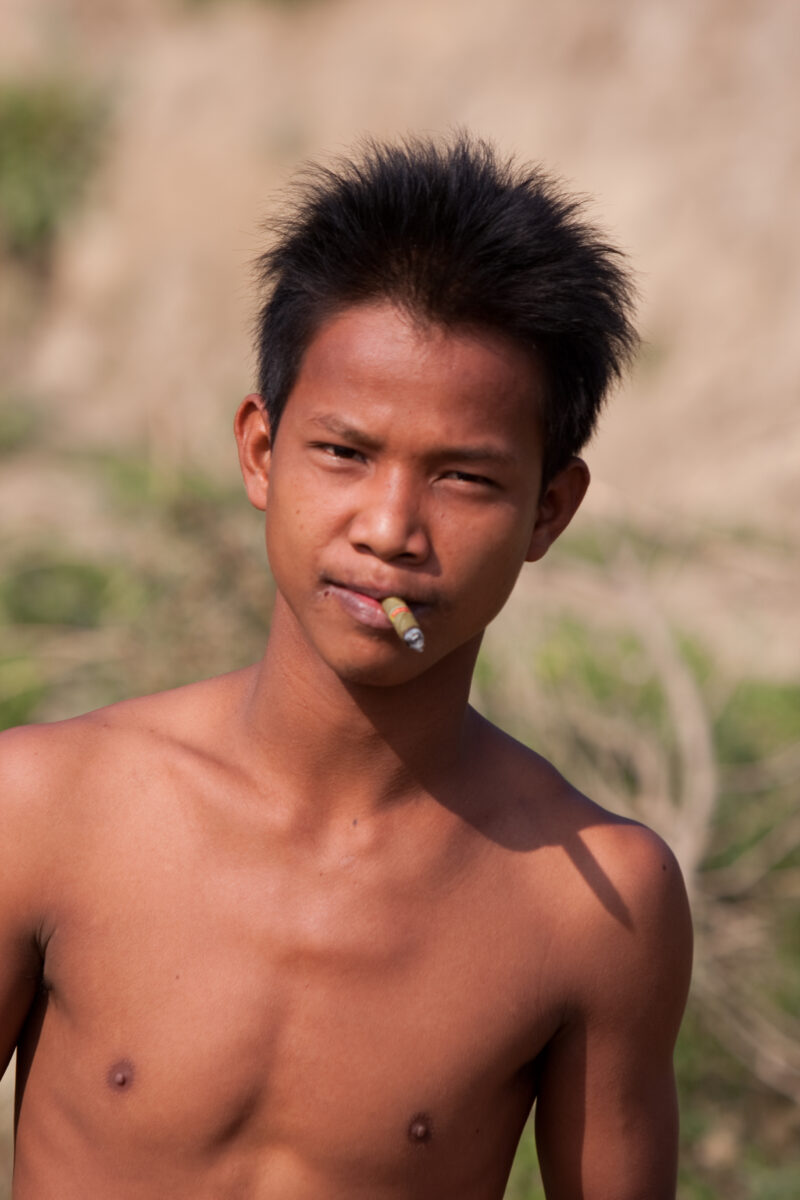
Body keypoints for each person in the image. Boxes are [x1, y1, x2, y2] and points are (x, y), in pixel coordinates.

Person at [0, 134, 692, 1199]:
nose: (389, 529)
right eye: (344, 453)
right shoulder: (48, 810)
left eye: (464, 478)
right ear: (260, 454)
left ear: (548, 509)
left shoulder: (590, 905)